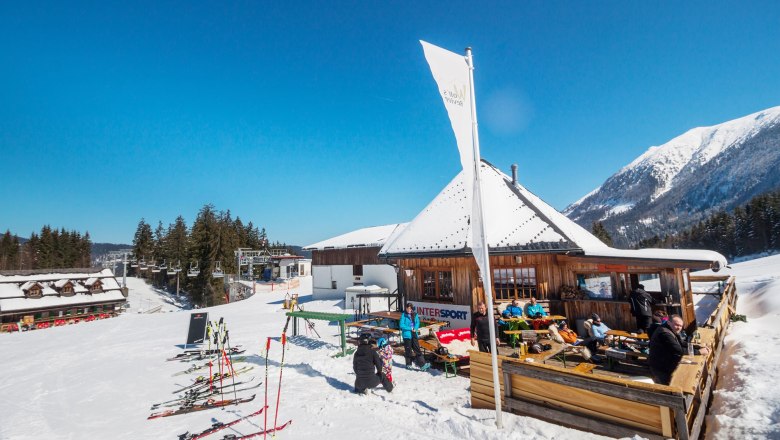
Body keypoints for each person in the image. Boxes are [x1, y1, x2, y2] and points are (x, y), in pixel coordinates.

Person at [648, 315, 710, 385]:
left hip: (666, 363)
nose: (679, 328)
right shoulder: (664, 333)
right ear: (669, 322)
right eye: (677, 325)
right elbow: (678, 350)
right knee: (668, 387)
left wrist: (698, 347)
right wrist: (699, 352)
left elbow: (681, 343)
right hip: (660, 368)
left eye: (680, 326)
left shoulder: (669, 329)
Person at [399, 303, 430, 371]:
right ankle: (408, 364)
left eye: (410, 308)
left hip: (414, 333)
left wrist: (415, 328)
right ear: (406, 308)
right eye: (407, 308)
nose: (409, 310)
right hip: (407, 335)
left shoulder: (415, 314)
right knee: (408, 350)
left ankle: (422, 365)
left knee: (417, 349)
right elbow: (401, 325)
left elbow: (417, 323)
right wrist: (410, 328)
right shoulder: (403, 315)